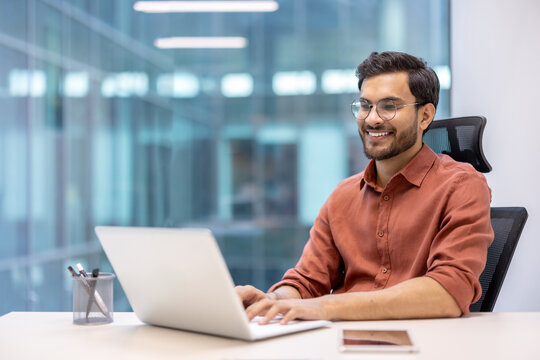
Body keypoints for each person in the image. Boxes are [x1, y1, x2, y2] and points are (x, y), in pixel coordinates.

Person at [236, 51, 494, 325]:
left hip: (424, 345)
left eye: (389, 106)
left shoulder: (462, 186)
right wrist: (273, 301)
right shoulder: (343, 196)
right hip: (341, 343)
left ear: (425, 116)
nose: (372, 119)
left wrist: (327, 306)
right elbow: (307, 282)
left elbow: (449, 292)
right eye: (365, 105)